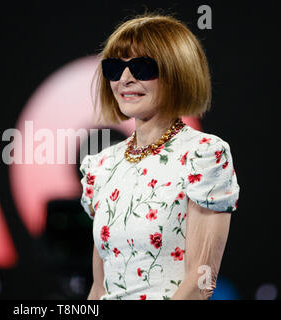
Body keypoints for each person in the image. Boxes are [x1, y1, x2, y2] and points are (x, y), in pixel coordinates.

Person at [79, 14, 240, 300]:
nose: (125, 79)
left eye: (141, 67)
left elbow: (202, 281)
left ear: (178, 72)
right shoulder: (102, 166)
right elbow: (99, 287)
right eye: (115, 68)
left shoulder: (203, 155)